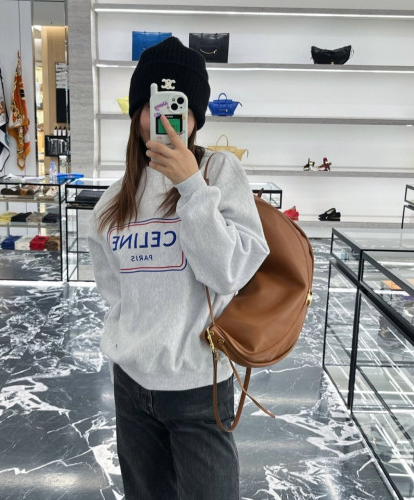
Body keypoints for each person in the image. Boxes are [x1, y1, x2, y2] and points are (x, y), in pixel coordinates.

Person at [87, 36, 269, 500]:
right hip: (131, 383)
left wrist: (190, 185)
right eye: (155, 105)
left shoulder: (218, 174)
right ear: (138, 112)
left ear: (195, 117)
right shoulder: (113, 200)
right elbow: (114, 289)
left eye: (180, 107)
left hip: (198, 384)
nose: (167, 119)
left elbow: (229, 272)